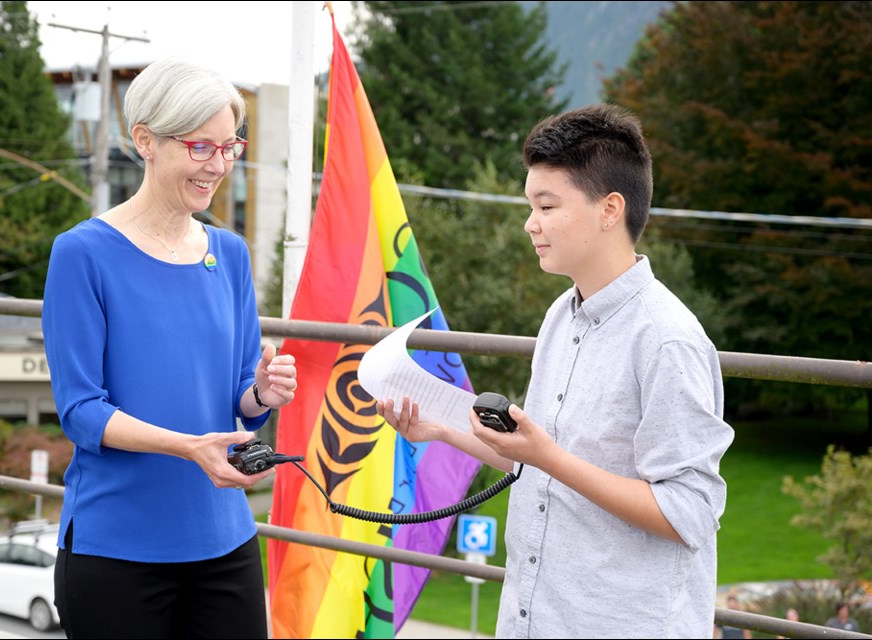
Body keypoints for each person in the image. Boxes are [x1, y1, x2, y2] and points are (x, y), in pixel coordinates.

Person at [377, 104, 734, 638]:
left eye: (546, 205)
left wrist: (548, 456)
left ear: (609, 209)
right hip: (535, 616)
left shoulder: (667, 340)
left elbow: (689, 513)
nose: (530, 223)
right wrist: (439, 431)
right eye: (530, 205)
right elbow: (537, 462)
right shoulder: (560, 314)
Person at [42, 58, 298, 639]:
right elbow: (81, 411)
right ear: (145, 141)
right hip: (116, 548)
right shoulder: (82, 254)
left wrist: (262, 392)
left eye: (230, 146)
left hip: (223, 539)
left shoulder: (229, 253)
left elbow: (239, 395)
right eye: (201, 147)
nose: (219, 165)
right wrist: (189, 448)